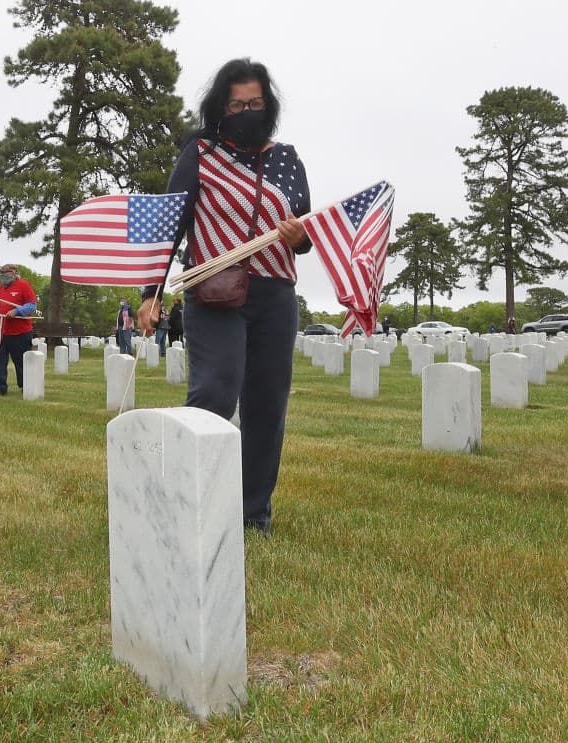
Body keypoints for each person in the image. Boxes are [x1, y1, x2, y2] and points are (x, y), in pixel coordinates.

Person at [165, 58, 311, 535]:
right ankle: (193, 502)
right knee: (214, 392)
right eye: (237, 104)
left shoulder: (286, 158)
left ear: (267, 104)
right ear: (221, 107)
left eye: (255, 103)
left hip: (275, 296)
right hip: (214, 291)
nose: (247, 110)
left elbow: (306, 231)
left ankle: (252, 513)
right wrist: (150, 292)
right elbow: (172, 222)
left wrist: (296, 238)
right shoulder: (202, 152)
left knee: (267, 406)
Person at [0, 264, 37, 395]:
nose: (2, 275)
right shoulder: (0, 289)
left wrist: (17, 311)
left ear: (13, 273)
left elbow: (32, 305)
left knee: (21, 362)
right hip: (2, 332)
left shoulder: (24, 285)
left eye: (5, 273)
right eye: (0, 273)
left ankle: (26, 386)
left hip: (20, 332)